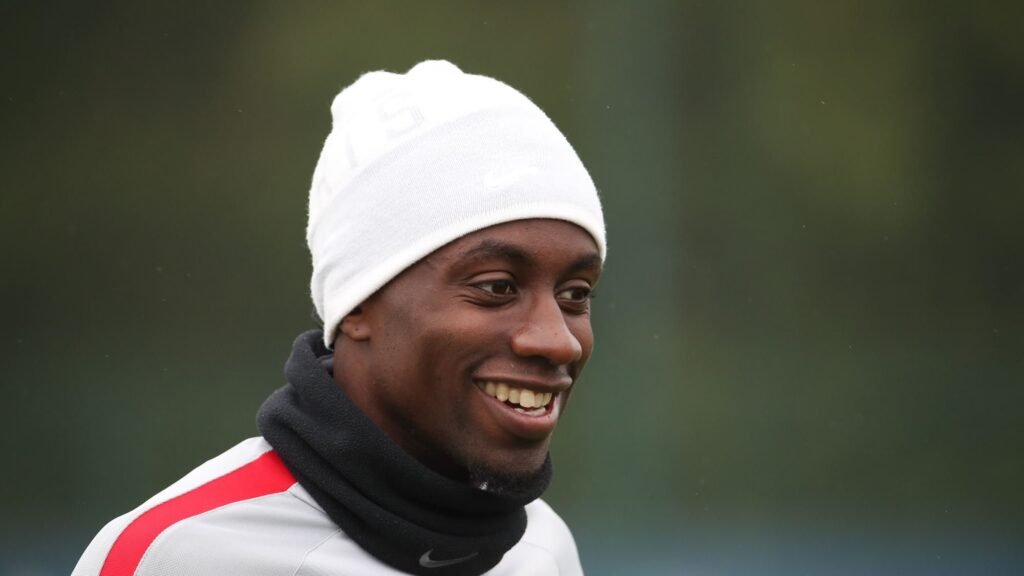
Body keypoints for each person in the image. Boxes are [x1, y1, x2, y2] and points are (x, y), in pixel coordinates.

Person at [72, 60, 606, 576]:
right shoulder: (175, 556)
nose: (558, 341)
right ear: (357, 305)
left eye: (575, 294)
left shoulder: (544, 550)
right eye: (496, 287)